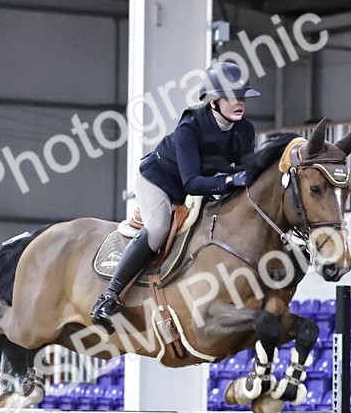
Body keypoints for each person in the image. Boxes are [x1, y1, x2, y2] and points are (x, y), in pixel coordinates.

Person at [90, 61, 259, 331]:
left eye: (242, 97)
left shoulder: (245, 130)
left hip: (205, 186)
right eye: (231, 97)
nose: (239, 103)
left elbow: (244, 170)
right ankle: (110, 296)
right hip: (161, 182)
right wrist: (228, 180)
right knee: (158, 229)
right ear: (214, 101)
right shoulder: (190, 128)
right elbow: (191, 183)